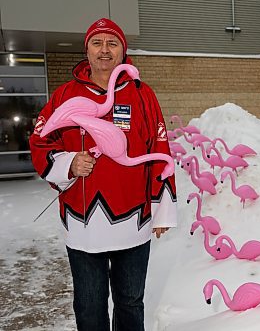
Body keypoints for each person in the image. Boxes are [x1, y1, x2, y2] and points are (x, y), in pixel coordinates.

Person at [29, 18, 177, 331]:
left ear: (124, 52)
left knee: (130, 302)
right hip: (83, 222)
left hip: (133, 218)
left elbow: (159, 147)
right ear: (87, 51)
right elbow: (40, 141)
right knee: (89, 304)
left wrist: (163, 207)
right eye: (97, 43)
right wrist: (69, 163)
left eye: (113, 43)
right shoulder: (65, 95)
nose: (105, 50)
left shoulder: (142, 95)